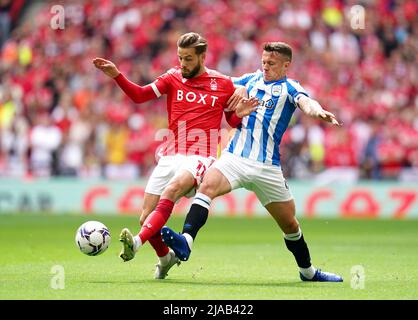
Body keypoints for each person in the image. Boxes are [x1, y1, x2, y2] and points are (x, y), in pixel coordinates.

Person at [160, 42, 344, 282]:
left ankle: (308, 272)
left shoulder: (290, 88)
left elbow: (306, 102)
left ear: (286, 65)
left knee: (290, 224)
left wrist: (317, 111)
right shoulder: (251, 80)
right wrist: (195, 70)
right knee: (206, 187)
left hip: (267, 167)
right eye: (264, 62)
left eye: (272, 64)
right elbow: (218, 82)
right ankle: (186, 241)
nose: (266, 67)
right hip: (235, 158)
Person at [93, 32, 257, 279]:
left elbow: (231, 119)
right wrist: (117, 75)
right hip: (171, 153)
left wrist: (239, 114)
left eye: (188, 59)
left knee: (171, 191)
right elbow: (140, 95)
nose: (183, 63)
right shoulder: (172, 77)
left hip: (202, 154)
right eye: (180, 57)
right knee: (146, 217)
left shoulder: (221, 84)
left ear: (202, 56)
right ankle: (165, 258)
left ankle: (135, 244)